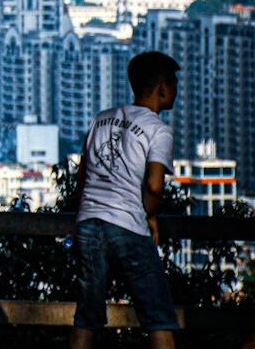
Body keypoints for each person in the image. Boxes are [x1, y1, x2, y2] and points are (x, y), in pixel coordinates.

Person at [71, 50, 180, 347]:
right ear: (162, 88)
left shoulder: (101, 119)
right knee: (158, 317)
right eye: (174, 83)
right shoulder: (159, 130)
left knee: (86, 318)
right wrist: (150, 214)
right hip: (127, 224)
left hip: (88, 223)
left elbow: (82, 179)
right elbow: (155, 187)